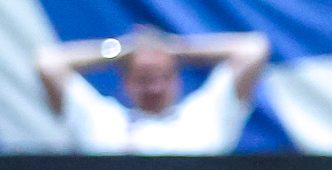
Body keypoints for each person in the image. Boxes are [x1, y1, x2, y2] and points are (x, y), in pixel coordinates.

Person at [37, 25, 269, 154]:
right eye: (144, 79)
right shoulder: (100, 120)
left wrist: (174, 48)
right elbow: (48, 62)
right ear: (126, 82)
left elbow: (253, 48)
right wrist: (121, 50)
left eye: (163, 77)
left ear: (177, 79)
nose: (155, 88)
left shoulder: (206, 115)